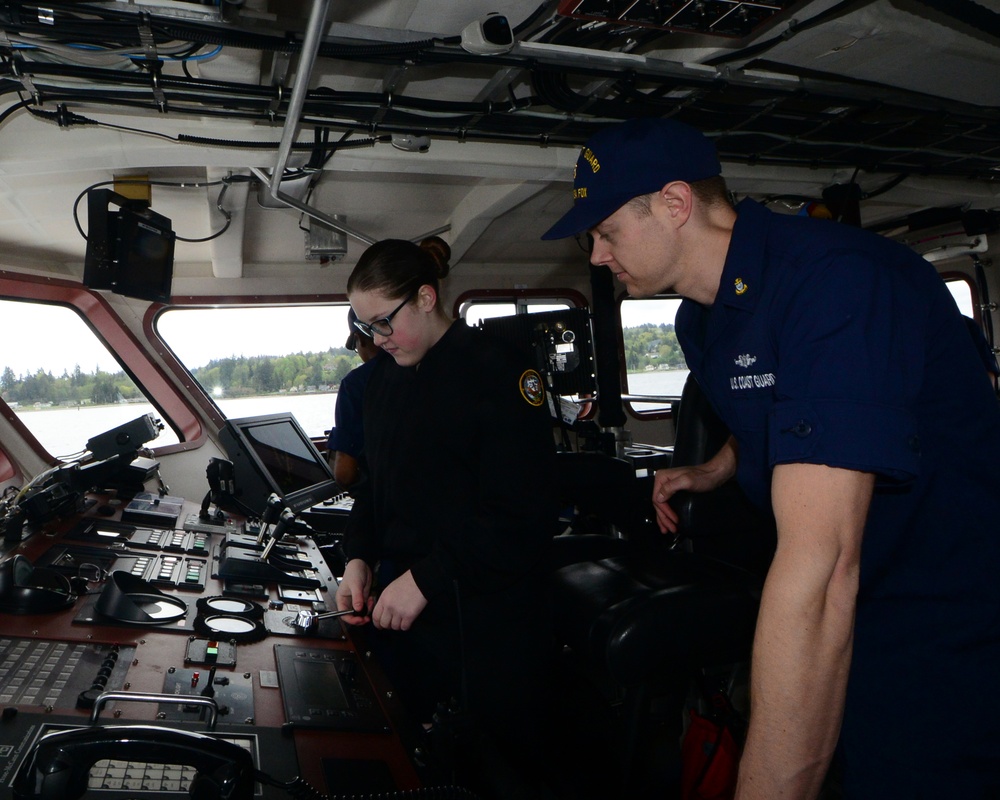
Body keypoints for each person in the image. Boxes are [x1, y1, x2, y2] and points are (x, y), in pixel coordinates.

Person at [541, 118, 1000, 799]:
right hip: (858, 588)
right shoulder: (700, 320)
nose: (599, 255)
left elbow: (822, 565)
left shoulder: (836, 282)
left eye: (606, 231)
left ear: (674, 204)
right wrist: (718, 466)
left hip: (944, 604)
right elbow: (789, 409)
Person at [334, 236, 559, 794]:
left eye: (384, 323)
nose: (377, 340)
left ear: (427, 298)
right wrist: (358, 555)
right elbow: (375, 487)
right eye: (365, 328)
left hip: (486, 614)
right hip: (407, 606)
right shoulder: (383, 380)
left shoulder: (499, 372)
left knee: (500, 769)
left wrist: (428, 578)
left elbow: (521, 513)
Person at [326, 309, 382, 488]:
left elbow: (344, 474)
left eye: (354, 345)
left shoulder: (354, 384)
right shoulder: (421, 367)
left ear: (361, 339)